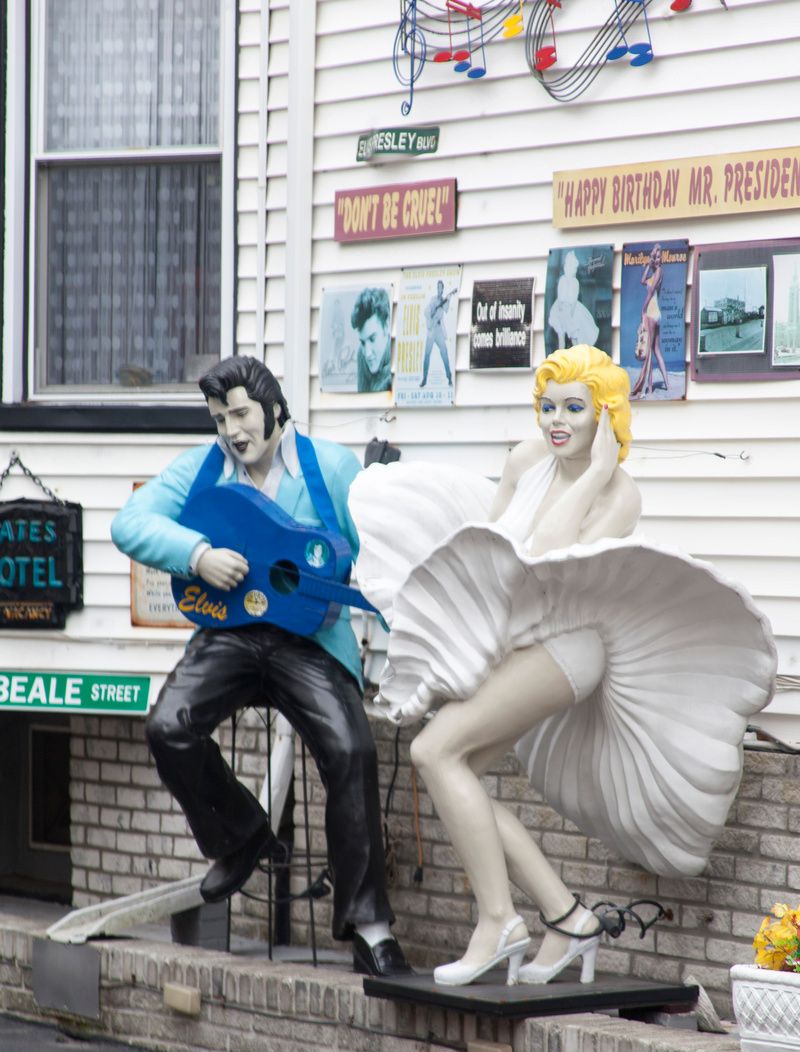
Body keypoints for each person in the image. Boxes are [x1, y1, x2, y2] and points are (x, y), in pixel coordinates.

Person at [349, 344, 776, 987]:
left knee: (434, 752)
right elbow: (491, 554)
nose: (557, 421)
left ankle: (498, 922)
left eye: (575, 408)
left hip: (571, 648)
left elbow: (543, 559)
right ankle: (567, 915)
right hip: (516, 642)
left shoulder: (619, 494)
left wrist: (601, 469)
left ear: (604, 415)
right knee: (454, 769)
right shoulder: (525, 461)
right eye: (548, 406)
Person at [111, 355, 411, 977]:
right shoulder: (204, 468)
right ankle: (241, 835)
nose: (233, 430)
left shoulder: (330, 468)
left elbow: (381, 542)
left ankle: (368, 925)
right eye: (221, 418)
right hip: (231, 632)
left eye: (241, 413)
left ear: (274, 407)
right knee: (168, 725)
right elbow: (128, 523)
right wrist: (196, 554)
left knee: (352, 751)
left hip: (311, 638)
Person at [631, 244, 670, 396]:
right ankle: (667, 384)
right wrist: (648, 264)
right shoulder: (653, 275)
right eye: (655, 257)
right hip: (656, 314)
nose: (656, 260)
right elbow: (642, 281)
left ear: (661, 259)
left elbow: (651, 291)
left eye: (658, 257)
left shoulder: (660, 271)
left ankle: (649, 388)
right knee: (655, 350)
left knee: (649, 352)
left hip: (652, 313)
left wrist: (643, 310)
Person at [547, 250, 599, 352]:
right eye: (570, 268)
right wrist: (561, 310)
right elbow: (560, 296)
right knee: (561, 334)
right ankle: (561, 355)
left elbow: (574, 300)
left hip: (572, 309)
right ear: (566, 267)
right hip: (561, 308)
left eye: (574, 269)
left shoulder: (575, 282)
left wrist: (570, 314)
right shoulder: (562, 280)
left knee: (574, 333)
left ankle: (576, 354)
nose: (572, 271)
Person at [350, 288, 392, 392]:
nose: (367, 353)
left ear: (386, 327)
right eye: (363, 343)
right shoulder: (361, 354)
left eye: (372, 339)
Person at [420, 279, 455, 387]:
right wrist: (431, 317)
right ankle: (424, 378)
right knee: (427, 354)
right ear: (437, 288)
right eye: (438, 287)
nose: (439, 289)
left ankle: (449, 377)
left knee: (444, 351)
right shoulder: (433, 299)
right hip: (431, 330)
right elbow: (426, 312)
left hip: (439, 330)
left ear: (443, 289)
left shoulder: (444, 300)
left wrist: (449, 299)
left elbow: (446, 309)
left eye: (441, 287)